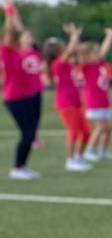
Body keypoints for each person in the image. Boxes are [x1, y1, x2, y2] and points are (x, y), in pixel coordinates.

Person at [0, 0, 46, 180]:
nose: (29, 37)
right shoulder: (9, 54)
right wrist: (9, 13)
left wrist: (14, 12)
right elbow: (11, 32)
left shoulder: (34, 52)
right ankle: (16, 168)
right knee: (27, 133)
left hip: (33, 95)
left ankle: (22, 166)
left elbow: (19, 28)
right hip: (16, 98)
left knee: (32, 134)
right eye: (25, 36)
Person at [43, 25, 90, 171]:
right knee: (74, 131)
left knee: (87, 132)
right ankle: (69, 161)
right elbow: (70, 50)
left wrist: (75, 38)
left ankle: (78, 157)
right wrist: (74, 35)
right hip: (66, 103)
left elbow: (74, 51)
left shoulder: (67, 64)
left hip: (76, 102)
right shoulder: (58, 64)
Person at [80, 28, 112, 162]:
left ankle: (103, 150)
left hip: (104, 100)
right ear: (86, 55)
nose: (98, 54)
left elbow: (104, 51)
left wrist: (109, 37)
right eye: (94, 52)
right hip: (94, 101)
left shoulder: (99, 64)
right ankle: (88, 150)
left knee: (108, 127)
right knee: (101, 127)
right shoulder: (85, 67)